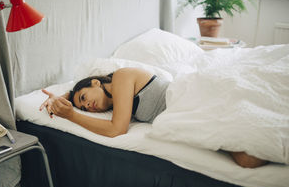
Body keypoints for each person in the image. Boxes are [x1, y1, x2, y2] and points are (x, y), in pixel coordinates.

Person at [39, 67, 267, 168]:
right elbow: (77, 90)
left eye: (85, 97)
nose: (88, 106)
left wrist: (71, 116)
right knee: (248, 158)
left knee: (248, 158)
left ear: (96, 82)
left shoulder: (121, 77)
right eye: (84, 108)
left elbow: (117, 130)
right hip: (183, 113)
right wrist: (63, 96)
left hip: (188, 97)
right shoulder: (110, 95)